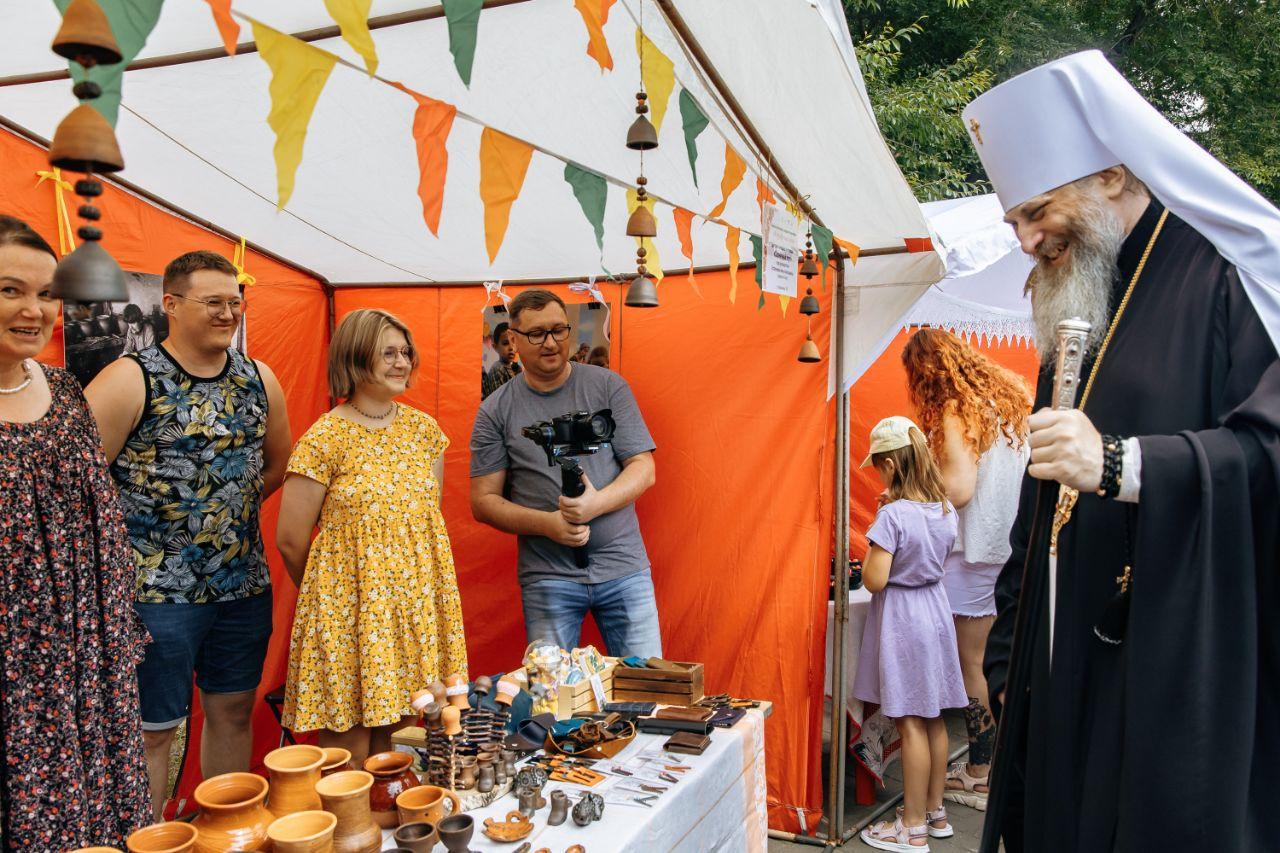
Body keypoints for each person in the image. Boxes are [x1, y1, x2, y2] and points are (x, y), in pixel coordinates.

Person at [962, 51, 1280, 852]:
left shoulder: (1230, 271)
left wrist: (1122, 465)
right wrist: (1008, 654)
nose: (1027, 240)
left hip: (1177, 664)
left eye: (1036, 211)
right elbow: (1043, 494)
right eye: (1014, 223)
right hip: (1061, 663)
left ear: (1110, 175)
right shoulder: (1084, 286)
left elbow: (1266, 453)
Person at [85, 250, 292, 818]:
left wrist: (218, 517)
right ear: (171, 305)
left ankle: (224, 832)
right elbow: (81, 483)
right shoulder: (130, 378)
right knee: (153, 730)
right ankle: (147, 839)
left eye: (235, 302)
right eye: (213, 302)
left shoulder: (259, 378)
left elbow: (278, 463)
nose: (228, 313)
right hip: (152, 595)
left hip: (241, 586)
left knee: (232, 711)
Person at [0, 215, 150, 848]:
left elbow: (98, 519)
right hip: (16, 660)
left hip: (87, 651)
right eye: (10, 290)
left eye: (47, 294)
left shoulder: (64, 391)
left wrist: (113, 631)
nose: (34, 310)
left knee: (97, 813)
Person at [276, 309, 468, 764]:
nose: (402, 362)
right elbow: (290, 538)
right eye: (388, 353)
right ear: (356, 358)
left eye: (406, 352)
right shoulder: (326, 437)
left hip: (412, 610)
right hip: (349, 614)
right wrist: (334, 600)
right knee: (349, 753)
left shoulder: (424, 432)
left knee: (401, 746)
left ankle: (394, 811)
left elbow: (423, 523)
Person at [470, 289, 661, 656]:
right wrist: (549, 524)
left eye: (559, 330)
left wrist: (595, 504)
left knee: (645, 681)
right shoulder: (495, 410)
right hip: (548, 577)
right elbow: (483, 501)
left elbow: (644, 468)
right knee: (551, 689)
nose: (551, 342)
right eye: (536, 333)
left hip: (624, 568)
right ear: (513, 339)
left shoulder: (608, 387)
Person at [901, 328, 1031, 811]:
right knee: (993, 658)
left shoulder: (957, 410)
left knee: (971, 662)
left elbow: (958, 488)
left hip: (975, 550)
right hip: (1007, 544)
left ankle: (981, 772)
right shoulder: (1005, 401)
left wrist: (913, 493)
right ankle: (995, 764)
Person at [855, 416, 968, 852]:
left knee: (909, 721)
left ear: (889, 464)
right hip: (935, 611)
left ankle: (912, 825)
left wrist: (879, 526)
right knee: (934, 717)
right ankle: (935, 811)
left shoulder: (892, 515)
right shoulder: (944, 509)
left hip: (904, 619)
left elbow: (875, 580)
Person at [481, 320, 521, 399]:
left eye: (514, 342)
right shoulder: (498, 369)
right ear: (495, 347)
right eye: (505, 343)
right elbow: (500, 401)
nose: (511, 347)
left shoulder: (515, 368)